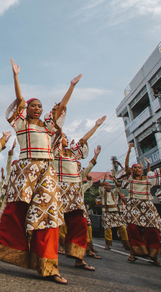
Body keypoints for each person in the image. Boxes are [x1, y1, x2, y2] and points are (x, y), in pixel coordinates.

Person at [0, 59, 82, 285]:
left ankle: (49, 266)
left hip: (47, 172)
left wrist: (71, 86)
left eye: (40, 106)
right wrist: (16, 77)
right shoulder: (21, 124)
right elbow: (20, 101)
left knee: (50, 216)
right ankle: (2, 253)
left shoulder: (48, 127)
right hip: (25, 170)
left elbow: (60, 108)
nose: (37, 108)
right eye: (34, 105)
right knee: (16, 212)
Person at [53, 115, 104, 272]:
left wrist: (96, 125)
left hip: (74, 194)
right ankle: (45, 257)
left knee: (80, 223)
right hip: (58, 192)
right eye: (63, 137)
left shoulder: (73, 154)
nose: (66, 139)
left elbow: (83, 139)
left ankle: (78, 257)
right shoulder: (53, 152)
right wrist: (59, 121)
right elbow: (55, 133)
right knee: (52, 224)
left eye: (67, 138)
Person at [119, 143, 161, 266]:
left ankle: (154, 256)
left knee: (153, 230)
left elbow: (160, 170)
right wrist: (129, 150)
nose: (137, 169)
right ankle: (134, 253)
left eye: (139, 168)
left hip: (148, 206)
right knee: (134, 229)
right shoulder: (130, 179)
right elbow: (126, 166)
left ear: (142, 170)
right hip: (134, 206)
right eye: (134, 168)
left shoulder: (149, 179)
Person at [99, 175, 129, 251]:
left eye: (109, 186)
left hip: (115, 212)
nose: (108, 187)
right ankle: (108, 245)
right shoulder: (102, 193)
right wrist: (104, 180)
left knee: (122, 227)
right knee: (107, 229)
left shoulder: (113, 193)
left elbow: (118, 187)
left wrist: (114, 180)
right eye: (106, 186)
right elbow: (100, 187)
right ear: (104, 187)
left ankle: (126, 244)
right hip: (106, 213)